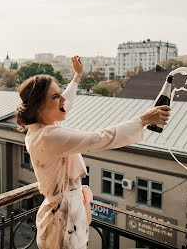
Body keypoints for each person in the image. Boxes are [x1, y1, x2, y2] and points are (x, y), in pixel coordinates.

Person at [15, 56, 170, 249]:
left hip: (64, 214)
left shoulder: (40, 128)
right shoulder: (48, 137)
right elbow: (99, 138)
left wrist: (77, 77)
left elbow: (65, 104)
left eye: (60, 93)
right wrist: (143, 120)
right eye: (55, 96)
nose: (62, 98)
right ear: (38, 106)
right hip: (62, 221)